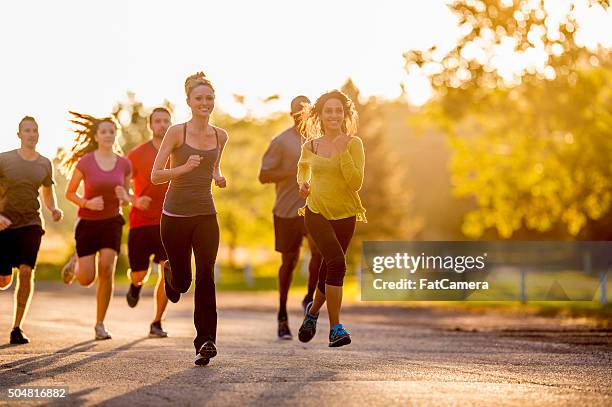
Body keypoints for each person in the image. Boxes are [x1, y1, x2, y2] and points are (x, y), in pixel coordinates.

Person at [151, 72, 228, 366]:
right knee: (184, 284)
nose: (205, 103)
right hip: (175, 215)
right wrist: (182, 169)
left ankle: (205, 341)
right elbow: (156, 175)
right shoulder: (176, 132)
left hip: (206, 214)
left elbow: (214, 167)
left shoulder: (221, 135)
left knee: (206, 275)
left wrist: (218, 177)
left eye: (209, 98)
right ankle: (172, 273)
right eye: (199, 98)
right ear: (189, 101)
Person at [296, 90, 366, 348]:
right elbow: (302, 172)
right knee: (337, 263)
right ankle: (336, 328)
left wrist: (342, 152)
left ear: (345, 114)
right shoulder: (310, 146)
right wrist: (303, 185)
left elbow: (356, 183)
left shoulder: (354, 144)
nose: (334, 115)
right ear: (321, 115)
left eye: (338, 111)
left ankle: (312, 313)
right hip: (316, 212)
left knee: (329, 267)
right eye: (329, 111)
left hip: (346, 214)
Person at [60, 112, 132, 341]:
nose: (108, 135)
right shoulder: (86, 161)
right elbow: (69, 193)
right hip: (88, 222)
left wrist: (125, 196)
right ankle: (76, 263)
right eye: (104, 131)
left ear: (115, 134)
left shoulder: (124, 163)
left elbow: (126, 196)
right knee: (86, 279)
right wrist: (87, 202)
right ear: (97, 136)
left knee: (107, 269)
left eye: (112, 131)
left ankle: (100, 324)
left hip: (112, 221)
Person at [258, 96, 323, 340]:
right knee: (289, 262)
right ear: (291, 114)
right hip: (286, 210)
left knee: (319, 251)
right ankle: (282, 316)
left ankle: (308, 299)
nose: (302, 116)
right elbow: (263, 175)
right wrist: (295, 169)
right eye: (298, 112)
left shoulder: (320, 141)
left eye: (306, 111)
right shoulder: (281, 141)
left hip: (314, 207)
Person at [0, 116, 63, 344]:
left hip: (31, 224)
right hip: (5, 224)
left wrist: (53, 208)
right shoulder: (4, 160)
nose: (32, 134)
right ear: (19, 135)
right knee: (4, 280)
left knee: (26, 272)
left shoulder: (44, 163)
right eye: (27, 130)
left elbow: (47, 191)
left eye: (35, 130)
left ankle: (17, 327)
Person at [125, 107, 172, 338]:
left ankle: (157, 321)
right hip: (140, 223)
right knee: (139, 273)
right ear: (150, 125)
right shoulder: (135, 154)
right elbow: (120, 186)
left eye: (166, 121)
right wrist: (134, 199)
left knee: (167, 272)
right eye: (158, 121)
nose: (162, 125)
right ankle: (135, 284)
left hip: (169, 221)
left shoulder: (177, 152)